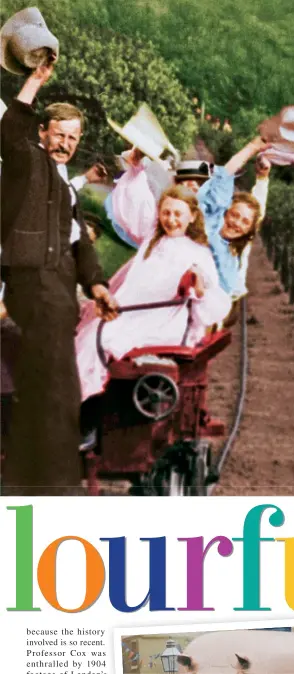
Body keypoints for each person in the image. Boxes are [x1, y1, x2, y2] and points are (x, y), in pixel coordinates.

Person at [0, 60, 117, 495]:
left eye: (73, 138)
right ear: (43, 132)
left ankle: (31, 482)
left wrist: (98, 284)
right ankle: (53, 487)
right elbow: (10, 130)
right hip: (33, 286)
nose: (65, 144)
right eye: (59, 134)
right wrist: (33, 82)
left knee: (50, 386)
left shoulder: (65, 184)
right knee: (56, 388)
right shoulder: (24, 159)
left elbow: (79, 245)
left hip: (59, 289)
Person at [76, 187, 231, 403]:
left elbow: (205, 293)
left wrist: (198, 284)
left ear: (192, 217)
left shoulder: (197, 252)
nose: (171, 220)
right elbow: (134, 208)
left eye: (178, 214)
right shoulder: (153, 241)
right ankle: (81, 406)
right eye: (166, 213)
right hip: (134, 311)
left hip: (163, 320)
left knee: (99, 340)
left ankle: (86, 408)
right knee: (88, 331)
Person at [111, 137, 271, 299]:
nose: (236, 223)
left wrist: (262, 177)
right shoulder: (197, 220)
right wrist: (252, 147)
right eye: (234, 216)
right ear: (225, 212)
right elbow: (223, 178)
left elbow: (255, 212)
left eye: (244, 222)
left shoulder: (231, 258)